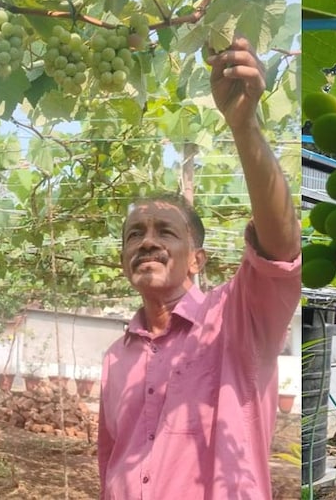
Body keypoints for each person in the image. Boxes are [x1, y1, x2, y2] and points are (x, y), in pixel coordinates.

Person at [97, 37, 301, 499]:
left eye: (165, 232)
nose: (147, 241)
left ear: (197, 259)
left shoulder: (237, 320)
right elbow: (111, 459)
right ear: (123, 258)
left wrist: (244, 127)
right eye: (134, 234)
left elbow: (282, 246)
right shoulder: (115, 358)